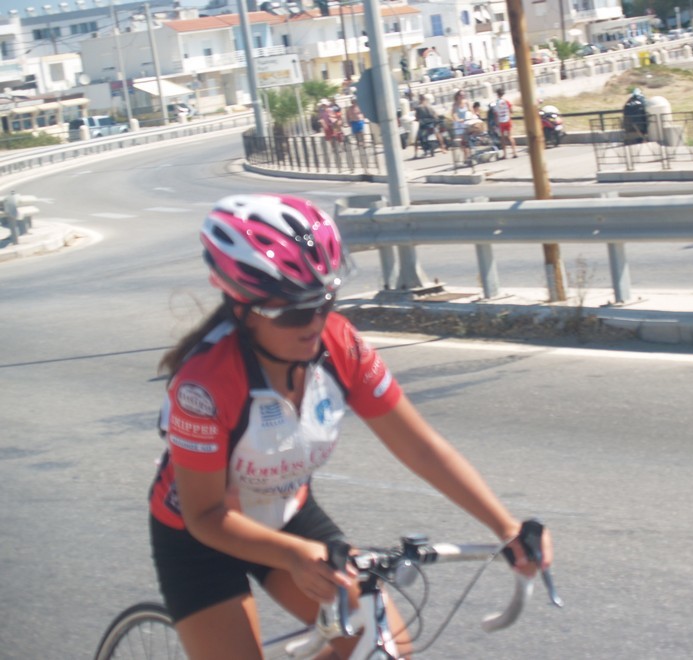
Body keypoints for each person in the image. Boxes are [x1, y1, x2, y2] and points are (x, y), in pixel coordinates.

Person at [148, 193, 555, 660]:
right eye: (294, 312)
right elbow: (205, 516)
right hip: (202, 537)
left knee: (384, 648)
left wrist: (505, 526)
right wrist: (294, 556)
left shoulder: (341, 345)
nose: (315, 323)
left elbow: (422, 449)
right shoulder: (204, 386)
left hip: (286, 513)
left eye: (325, 302)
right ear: (243, 308)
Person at [491, 88, 517, 159]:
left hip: (501, 121)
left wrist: (496, 123)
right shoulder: (506, 101)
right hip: (508, 120)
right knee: (510, 136)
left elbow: (495, 114)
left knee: (502, 138)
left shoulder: (496, 103)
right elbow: (511, 111)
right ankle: (514, 153)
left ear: (497, 94)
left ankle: (505, 155)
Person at [451, 89, 473, 162]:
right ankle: (465, 154)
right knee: (460, 142)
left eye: (463, 95)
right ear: (457, 96)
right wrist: (458, 119)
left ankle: (467, 156)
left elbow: (471, 111)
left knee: (467, 140)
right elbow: (454, 114)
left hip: (467, 122)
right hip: (459, 124)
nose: (462, 96)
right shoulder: (455, 104)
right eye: (461, 95)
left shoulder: (466, 102)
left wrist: (470, 116)